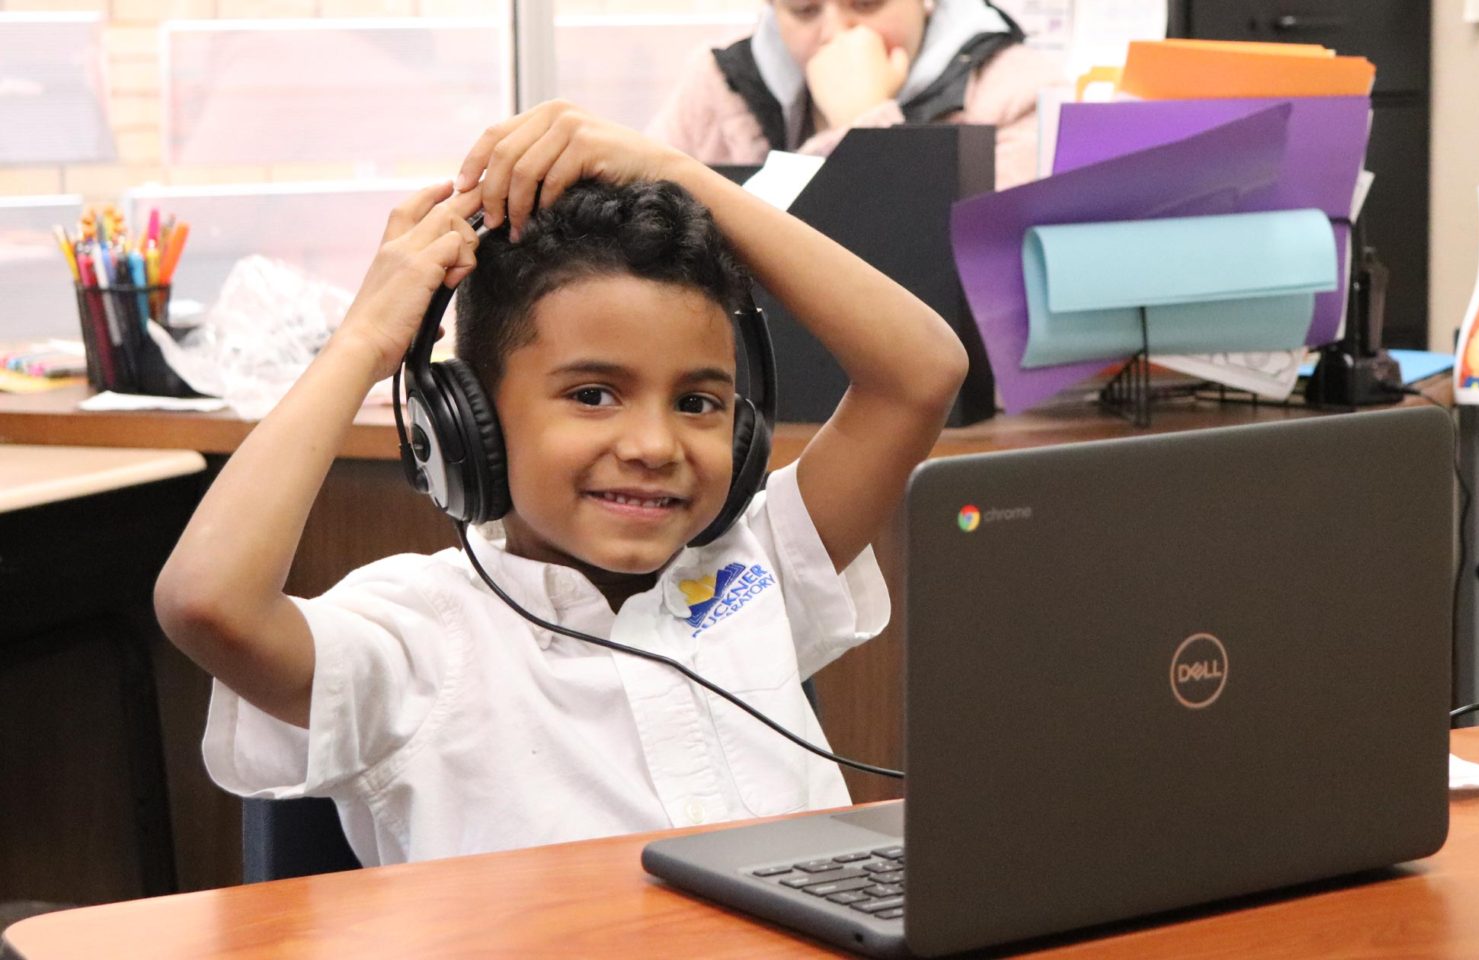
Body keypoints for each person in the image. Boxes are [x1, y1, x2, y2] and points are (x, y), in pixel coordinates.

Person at [154, 101, 968, 865]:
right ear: (468, 420)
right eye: (592, 395)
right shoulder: (416, 640)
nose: (653, 445)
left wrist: (672, 170)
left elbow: (921, 372)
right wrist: (367, 337)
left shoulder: (761, 565)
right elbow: (207, 602)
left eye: (697, 402)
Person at [646, 0, 1063, 190]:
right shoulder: (719, 80)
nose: (836, 33)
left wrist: (861, 123)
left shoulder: (1022, 93)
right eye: (805, 11)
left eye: (866, 4)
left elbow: (933, 275)